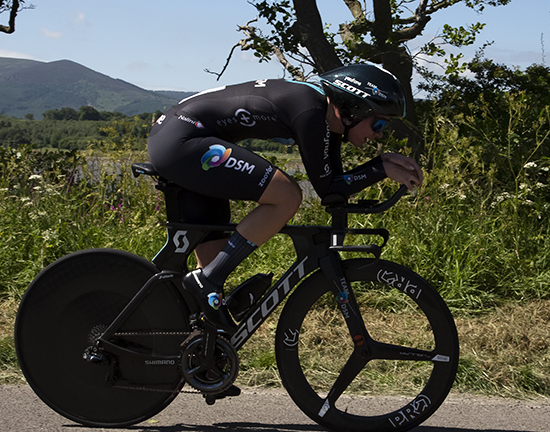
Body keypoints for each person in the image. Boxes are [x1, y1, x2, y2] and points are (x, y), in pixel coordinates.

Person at [147, 62, 423, 328]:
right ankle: (208, 280)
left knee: (210, 273)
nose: (378, 136)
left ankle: (197, 342)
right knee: (287, 195)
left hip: (185, 138)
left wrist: (380, 166)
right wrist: (380, 168)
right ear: (354, 109)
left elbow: (334, 190)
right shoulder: (309, 110)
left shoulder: (324, 119)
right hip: (182, 140)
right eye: (379, 125)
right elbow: (328, 190)